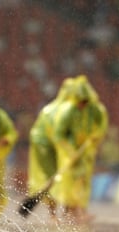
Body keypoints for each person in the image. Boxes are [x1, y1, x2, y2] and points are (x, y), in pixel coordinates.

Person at [50, 75, 108, 222]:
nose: (83, 105)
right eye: (80, 102)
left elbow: (101, 124)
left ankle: (80, 211)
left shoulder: (93, 109)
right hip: (69, 151)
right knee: (69, 182)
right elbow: (58, 135)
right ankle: (70, 211)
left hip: (85, 150)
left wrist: (96, 135)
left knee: (83, 180)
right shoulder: (67, 111)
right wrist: (70, 152)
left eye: (85, 102)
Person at [26, 77, 75, 218]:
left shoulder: (69, 111)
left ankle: (67, 211)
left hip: (58, 146)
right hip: (45, 146)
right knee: (52, 177)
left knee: (66, 176)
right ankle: (53, 213)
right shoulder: (53, 111)